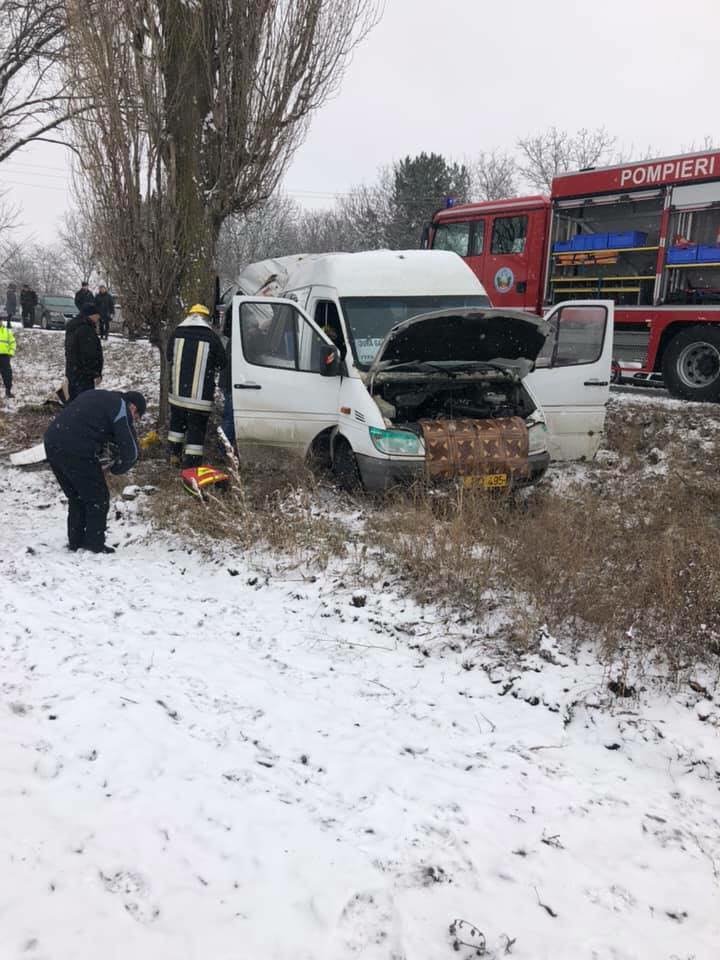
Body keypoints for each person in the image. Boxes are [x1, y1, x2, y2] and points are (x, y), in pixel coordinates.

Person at [44, 389, 146, 553]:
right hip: (76, 447)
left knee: (76, 496)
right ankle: (93, 545)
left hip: (52, 440)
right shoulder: (121, 408)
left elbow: (87, 423)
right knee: (98, 498)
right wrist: (116, 468)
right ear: (133, 408)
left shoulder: (98, 396)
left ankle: (76, 541)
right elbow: (131, 453)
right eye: (136, 418)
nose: (133, 421)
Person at [167, 303, 226, 467]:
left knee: (176, 426)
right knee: (196, 429)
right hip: (200, 397)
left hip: (177, 394)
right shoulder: (212, 337)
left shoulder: (177, 332)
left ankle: (174, 455)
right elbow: (222, 362)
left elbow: (169, 356)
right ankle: (191, 465)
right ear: (205, 318)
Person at [65, 302, 103, 400]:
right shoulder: (86, 330)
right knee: (84, 402)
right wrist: (95, 373)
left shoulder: (73, 327)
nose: (98, 317)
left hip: (73, 372)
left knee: (74, 402)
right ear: (91, 315)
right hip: (84, 376)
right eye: (97, 315)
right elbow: (89, 354)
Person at [0, 315, 16, 398]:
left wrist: (11, 353)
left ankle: (8, 392)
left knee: (7, 375)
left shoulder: (7, 331)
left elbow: (13, 343)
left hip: (5, 357)